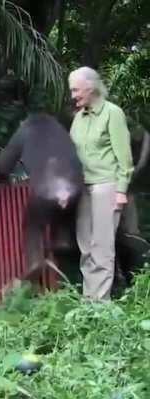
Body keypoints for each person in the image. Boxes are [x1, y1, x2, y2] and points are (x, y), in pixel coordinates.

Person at [68, 66, 134, 300]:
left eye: (76, 90)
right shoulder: (78, 118)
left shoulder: (111, 113)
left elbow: (124, 156)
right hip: (83, 188)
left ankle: (100, 305)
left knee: (102, 247)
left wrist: (121, 191)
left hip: (106, 185)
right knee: (85, 246)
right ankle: (89, 300)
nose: (73, 95)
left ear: (90, 87)